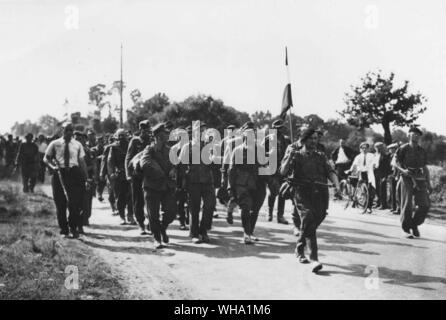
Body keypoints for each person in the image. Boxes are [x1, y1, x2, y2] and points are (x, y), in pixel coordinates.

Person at [280, 128, 340, 273]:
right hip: (302, 192)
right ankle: (314, 259)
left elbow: (330, 172)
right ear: (304, 140)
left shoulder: (321, 156)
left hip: (320, 193)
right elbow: (282, 171)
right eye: (310, 139)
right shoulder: (295, 154)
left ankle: (299, 248)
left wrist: (337, 186)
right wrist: (289, 158)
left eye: (315, 139)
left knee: (316, 219)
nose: (314, 141)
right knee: (308, 217)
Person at [44, 122, 88, 238]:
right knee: (60, 203)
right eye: (66, 130)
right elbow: (46, 158)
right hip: (59, 174)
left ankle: (73, 228)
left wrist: (86, 178)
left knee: (75, 203)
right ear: (62, 130)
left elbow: (82, 162)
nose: (69, 132)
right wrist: (52, 167)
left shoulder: (78, 144)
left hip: (74, 174)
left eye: (71, 130)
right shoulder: (55, 143)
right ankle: (64, 230)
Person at [140, 123, 178, 249]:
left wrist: (174, 170)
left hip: (166, 186)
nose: (167, 135)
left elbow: (175, 163)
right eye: (165, 133)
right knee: (153, 214)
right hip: (152, 186)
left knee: (171, 212)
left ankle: (162, 228)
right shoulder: (149, 149)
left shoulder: (169, 150)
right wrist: (161, 172)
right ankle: (157, 238)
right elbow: (145, 163)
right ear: (158, 136)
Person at [228, 125, 267, 245]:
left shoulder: (260, 149)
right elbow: (232, 169)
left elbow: (265, 166)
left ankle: (250, 232)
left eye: (253, 135)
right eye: (248, 135)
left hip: (258, 184)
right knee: (246, 207)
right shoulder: (238, 150)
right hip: (242, 183)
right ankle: (246, 233)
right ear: (243, 136)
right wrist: (230, 186)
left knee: (254, 210)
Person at [179, 121, 216, 243]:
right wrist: (182, 183)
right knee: (194, 209)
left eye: (204, 130)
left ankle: (203, 230)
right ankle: (194, 233)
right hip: (193, 181)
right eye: (200, 130)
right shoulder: (187, 146)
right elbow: (181, 166)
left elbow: (215, 165)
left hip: (207, 181)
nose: (202, 133)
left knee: (210, 206)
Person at [394, 126, 432, 239]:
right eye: (412, 133)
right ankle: (406, 228)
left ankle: (414, 224)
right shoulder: (403, 148)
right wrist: (403, 170)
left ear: (420, 137)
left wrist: (429, 183)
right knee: (407, 204)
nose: (415, 136)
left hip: (420, 178)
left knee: (425, 205)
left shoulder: (422, 151)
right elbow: (394, 162)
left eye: (417, 134)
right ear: (408, 135)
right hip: (406, 177)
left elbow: (425, 167)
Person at [125, 120, 152, 235]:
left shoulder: (152, 140)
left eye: (147, 129)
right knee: (138, 200)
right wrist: (128, 174)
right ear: (140, 129)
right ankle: (141, 224)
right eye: (144, 129)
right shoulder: (135, 141)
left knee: (151, 200)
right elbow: (128, 158)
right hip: (137, 175)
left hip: (150, 175)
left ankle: (151, 224)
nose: (146, 131)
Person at [263, 119, 291, 224]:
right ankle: (269, 212)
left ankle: (280, 215)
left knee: (282, 192)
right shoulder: (267, 139)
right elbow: (260, 152)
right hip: (271, 168)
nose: (279, 130)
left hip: (283, 169)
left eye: (281, 128)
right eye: (277, 128)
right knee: (274, 191)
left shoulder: (286, 140)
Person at [108, 129, 134, 225]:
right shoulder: (114, 148)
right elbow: (110, 162)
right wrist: (112, 173)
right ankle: (122, 216)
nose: (122, 138)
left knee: (131, 196)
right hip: (119, 175)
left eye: (123, 135)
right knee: (120, 197)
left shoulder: (131, 145)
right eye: (120, 136)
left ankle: (130, 215)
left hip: (131, 175)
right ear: (117, 137)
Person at [75, 131, 98, 230]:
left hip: (87, 178)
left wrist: (94, 177)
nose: (78, 141)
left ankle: (85, 218)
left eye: (80, 139)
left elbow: (94, 165)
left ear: (85, 140)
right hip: (74, 179)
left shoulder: (88, 151)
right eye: (76, 139)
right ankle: (77, 222)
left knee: (87, 200)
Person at [346, 142, 376, 213]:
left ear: (368, 149)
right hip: (362, 173)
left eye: (366, 148)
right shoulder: (358, 156)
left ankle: (369, 207)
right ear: (360, 149)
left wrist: (373, 166)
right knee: (360, 187)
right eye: (363, 148)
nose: (364, 149)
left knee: (370, 189)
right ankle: (356, 200)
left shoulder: (371, 155)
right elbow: (354, 164)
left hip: (370, 173)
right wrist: (350, 170)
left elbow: (374, 163)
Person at [373, 142, 391, 210]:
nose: (378, 149)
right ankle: (378, 202)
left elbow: (387, 167)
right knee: (376, 189)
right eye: (377, 147)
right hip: (375, 172)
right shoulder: (374, 155)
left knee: (382, 189)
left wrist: (385, 176)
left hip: (382, 173)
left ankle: (383, 204)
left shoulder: (385, 156)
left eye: (379, 147)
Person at [387, 143, 400, 214]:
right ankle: (393, 207)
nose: (390, 150)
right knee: (392, 191)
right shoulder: (393, 156)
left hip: (396, 175)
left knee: (396, 192)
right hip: (393, 174)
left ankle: (397, 208)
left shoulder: (397, 155)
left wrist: (396, 175)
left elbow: (397, 166)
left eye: (392, 149)